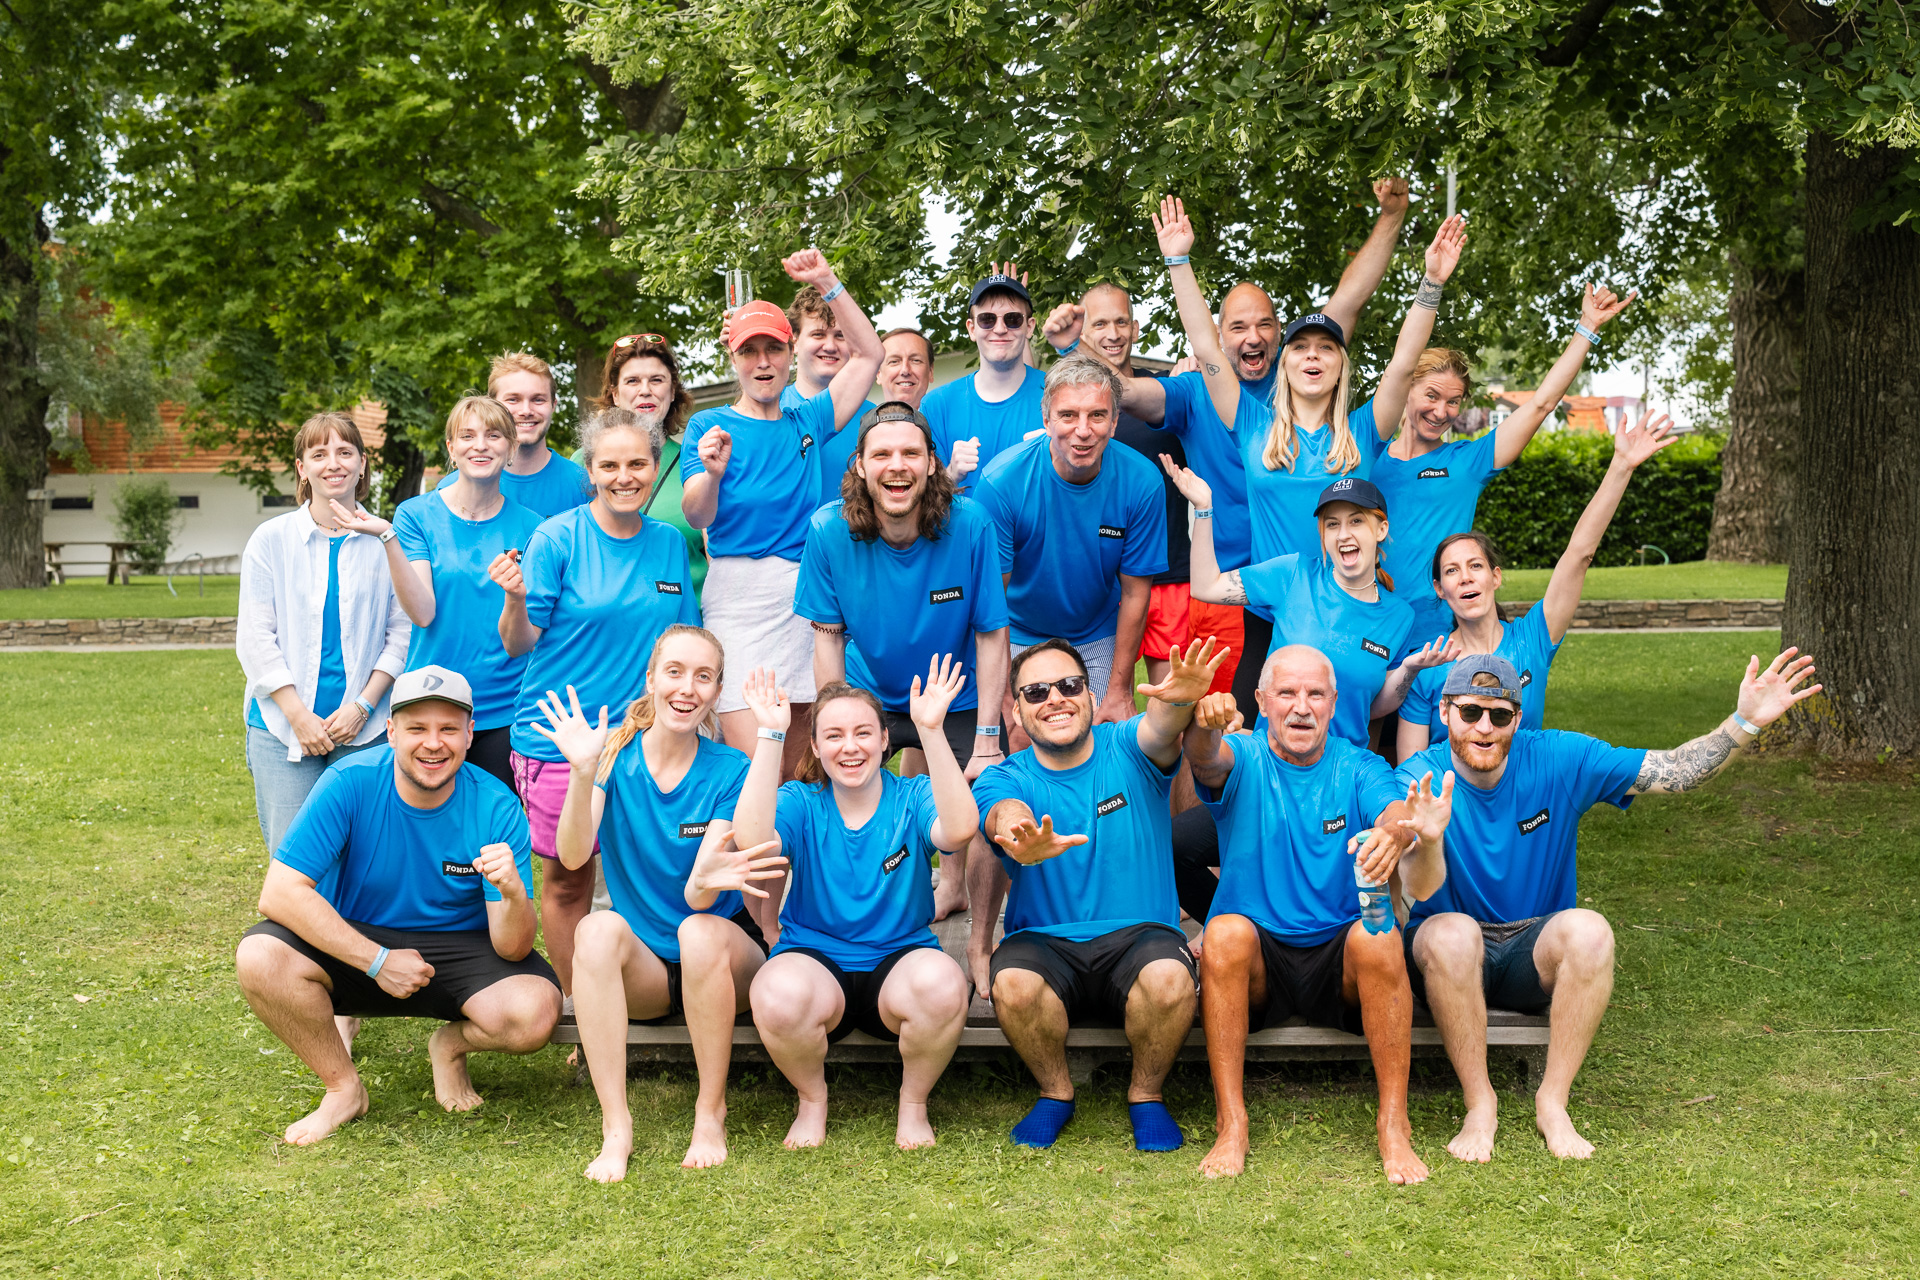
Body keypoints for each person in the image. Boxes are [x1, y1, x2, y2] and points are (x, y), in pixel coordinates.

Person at [1395, 650, 1820, 1164]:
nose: (1484, 727)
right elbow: (1413, 887)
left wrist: (1745, 720)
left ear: (1518, 718)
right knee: (1449, 934)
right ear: (1444, 713)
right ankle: (1480, 1102)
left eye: (1499, 714)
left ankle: (1552, 1101)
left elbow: (1672, 771)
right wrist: (1431, 837)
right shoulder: (1419, 778)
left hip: (1532, 944)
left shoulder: (1560, 757)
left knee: (1592, 931)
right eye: (1469, 712)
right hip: (1451, 952)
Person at [1131, 196, 1462, 714]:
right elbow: (1207, 346)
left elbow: (1401, 366)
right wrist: (1178, 260)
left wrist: (1432, 284)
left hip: (1356, 609)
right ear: (1286, 363)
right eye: (1302, 347)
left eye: (1326, 348)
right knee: (1243, 739)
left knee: (1354, 736)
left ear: (1340, 364)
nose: (1313, 356)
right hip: (1275, 611)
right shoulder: (1251, 424)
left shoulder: (1361, 430)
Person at [234, 667, 561, 1146]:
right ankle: (343, 1088)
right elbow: (279, 893)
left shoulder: (497, 806)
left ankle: (449, 1046)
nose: (434, 743)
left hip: (462, 947)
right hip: (363, 940)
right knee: (259, 958)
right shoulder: (348, 782)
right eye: (417, 728)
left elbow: (512, 949)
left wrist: (512, 893)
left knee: (534, 1013)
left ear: (470, 735)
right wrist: (377, 961)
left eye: (449, 728)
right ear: (390, 732)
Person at [1182, 646, 1452, 1182]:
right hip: (1261, 957)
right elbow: (1206, 758)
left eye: (1314, 694)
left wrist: (1396, 831)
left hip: (1338, 958)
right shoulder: (1245, 755)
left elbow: (1394, 809)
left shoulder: (1359, 764)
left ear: (1333, 704)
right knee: (1225, 932)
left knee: (1378, 932)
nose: (1301, 707)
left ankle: (1393, 1124)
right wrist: (1204, 726)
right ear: (1261, 702)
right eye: (1286, 693)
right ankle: (1231, 1122)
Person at [530, 626, 783, 1178]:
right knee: (594, 931)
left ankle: (709, 1110)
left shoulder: (729, 769)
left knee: (696, 930)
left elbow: (701, 894)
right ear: (651, 678)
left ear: (717, 692)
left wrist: (709, 878)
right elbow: (572, 857)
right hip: (646, 971)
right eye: (674, 671)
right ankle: (616, 1127)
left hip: (722, 960)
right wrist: (579, 771)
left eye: (703, 676)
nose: (686, 687)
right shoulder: (613, 757)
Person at [968, 637, 1229, 1153]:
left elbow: (1161, 727)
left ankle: (1147, 1095)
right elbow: (1003, 812)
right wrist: (1020, 835)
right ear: (1015, 712)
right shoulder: (1003, 775)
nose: (1055, 699)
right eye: (1036, 692)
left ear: (1090, 695)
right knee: (1014, 985)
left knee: (1170, 981)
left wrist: (1179, 700)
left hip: (1140, 934)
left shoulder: (1128, 745)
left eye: (1069, 686)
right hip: (1043, 939)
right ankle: (1055, 1091)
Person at [493, 407, 700, 994]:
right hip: (562, 740)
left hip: (642, 742)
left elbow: (682, 640)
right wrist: (512, 600)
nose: (624, 476)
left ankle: (647, 990)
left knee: (649, 872)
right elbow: (517, 644)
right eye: (609, 464)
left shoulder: (666, 544)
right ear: (591, 469)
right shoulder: (557, 537)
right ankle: (583, 1013)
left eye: (638, 463)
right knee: (568, 882)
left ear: (656, 467)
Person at [739, 664, 979, 1151]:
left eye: (863, 732)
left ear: (884, 740)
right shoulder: (801, 802)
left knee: (944, 983)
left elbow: (958, 830)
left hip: (899, 962)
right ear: (816, 747)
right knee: (774, 991)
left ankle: (913, 1105)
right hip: (815, 963)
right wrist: (769, 736)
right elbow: (752, 841)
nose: (850, 747)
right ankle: (812, 1100)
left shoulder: (912, 796)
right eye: (834, 735)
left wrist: (931, 731)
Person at [792, 400, 1011, 920]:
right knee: (825, 790)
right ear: (860, 466)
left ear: (932, 463)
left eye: (911, 452)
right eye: (882, 453)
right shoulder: (828, 531)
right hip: (871, 692)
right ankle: (840, 905)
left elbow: (991, 633)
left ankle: (965, 907)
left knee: (990, 796)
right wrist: (836, 721)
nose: (898, 465)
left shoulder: (971, 523)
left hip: (956, 692)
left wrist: (986, 738)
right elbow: (827, 637)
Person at [682, 248, 884, 775]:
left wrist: (827, 280)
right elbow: (697, 515)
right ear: (734, 359)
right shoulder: (709, 427)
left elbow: (869, 355)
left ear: (791, 353)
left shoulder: (807, 419)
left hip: (803, 602)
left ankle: (794, 859)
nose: (763, 362)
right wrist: (713, 475)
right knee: (755, 765)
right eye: (750, 351)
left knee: (802, 766)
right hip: (737, 602)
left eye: (774, 348)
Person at [1396, 411, 1680, 760]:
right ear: (1440, 589)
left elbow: (1579, 554)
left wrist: (1621, 466)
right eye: (1452, 571)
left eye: (1475, 566)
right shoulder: (1425, 665)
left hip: (1525, 803)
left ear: (1495, 577)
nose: (1466, 577)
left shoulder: (1531, 639)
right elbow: (1410, 773)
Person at [1372, 284, 1637, 638]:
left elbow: (1541, 404)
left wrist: (1587, 328)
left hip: (1441, 634)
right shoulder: (1366, 459)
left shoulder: (1467, 462)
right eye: (1431, 395)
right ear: (1406, 390)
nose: (1441, 412)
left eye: (1453, 402)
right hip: (1373, 627)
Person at [1042, 283, 1241, 695]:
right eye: (1099, 324)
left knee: (1170, 701)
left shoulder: (1166, 392)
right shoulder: (1074, 409)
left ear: (1135, 327)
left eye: (1120, 322)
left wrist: (1075, 345)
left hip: (1168, 572)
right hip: (1100, 580)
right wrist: (1069, 349)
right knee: (1093, 700)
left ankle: (1172, 763)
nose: (1112, 333)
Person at [336, 396, 542, 791]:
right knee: (427, 829)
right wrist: (387, 537)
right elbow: (423, 613)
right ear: (451, 448)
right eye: (467, 435)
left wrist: (516, 593)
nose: (480, 445)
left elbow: (525, 637)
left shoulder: (534, 528)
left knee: (490, 831)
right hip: (432, 700)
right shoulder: (414, 515)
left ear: (511, 447)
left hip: (505, 708)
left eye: (494, 435)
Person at [1177, 471, 1453, 750]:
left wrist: (1408, 668)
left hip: (1342, 768)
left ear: (1381, 529)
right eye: (1332, 524)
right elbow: (1205, 586)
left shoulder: (1399, 617)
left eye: (1356, 521)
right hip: (1275, 760)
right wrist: (1203, 509)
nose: (1343, 534)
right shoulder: (1293, 574)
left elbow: (1374, 705)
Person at [237, 411, 410, 855]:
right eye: (319, 454)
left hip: (363, 727)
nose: (333, 463)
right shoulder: (270, 540)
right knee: (294, 856)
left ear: (362, 463)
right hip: (282, 727)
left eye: (344, 452)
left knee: (362, 854)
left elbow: (402, 632)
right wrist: (298, 716)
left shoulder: (387, 539)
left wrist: (363, 705)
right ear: (302, 468)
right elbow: (255, 638)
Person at [975, 354, 1169, 730]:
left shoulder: (1141, 482)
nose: (1083, 430)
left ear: (1114, 423)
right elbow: (990, 600)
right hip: (1018, 630)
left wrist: (1119, 689)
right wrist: (1002, 699)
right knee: (1022, 743)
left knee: (1100, 739)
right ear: (1046, 420)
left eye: (1097, 415)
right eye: (1068, 415)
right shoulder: (1002, 483)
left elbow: (1135, 594)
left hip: (1096, 631)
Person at [591, 332, 707, 596]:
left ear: (673, 391)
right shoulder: (585, 463)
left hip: (689, 622)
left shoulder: (697, 462)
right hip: (613, 622)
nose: (646, 390)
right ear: (615, 394)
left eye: (656, 380)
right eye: (632, 381)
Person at [922, 264, 1047, 493]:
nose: (1000, 329)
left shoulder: (1058, 396)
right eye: (987, 319)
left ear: (1029, 327)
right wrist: (951, 474)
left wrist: (1059, 462)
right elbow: (918, 504)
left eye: (1013, 319)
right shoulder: (937, 406)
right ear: (971, 328)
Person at [437, 352, 591, 518]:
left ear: (553, 405)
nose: (526, 411)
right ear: (492, 405)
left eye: (538, 400)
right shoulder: (449, 491)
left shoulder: (583, 485)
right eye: (513, 399)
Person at [782, 283, 879, 506]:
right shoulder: (772, 411)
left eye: (840, 335)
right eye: (818, 334)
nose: (830, 346)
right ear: (794, 341)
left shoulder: (874, 420)